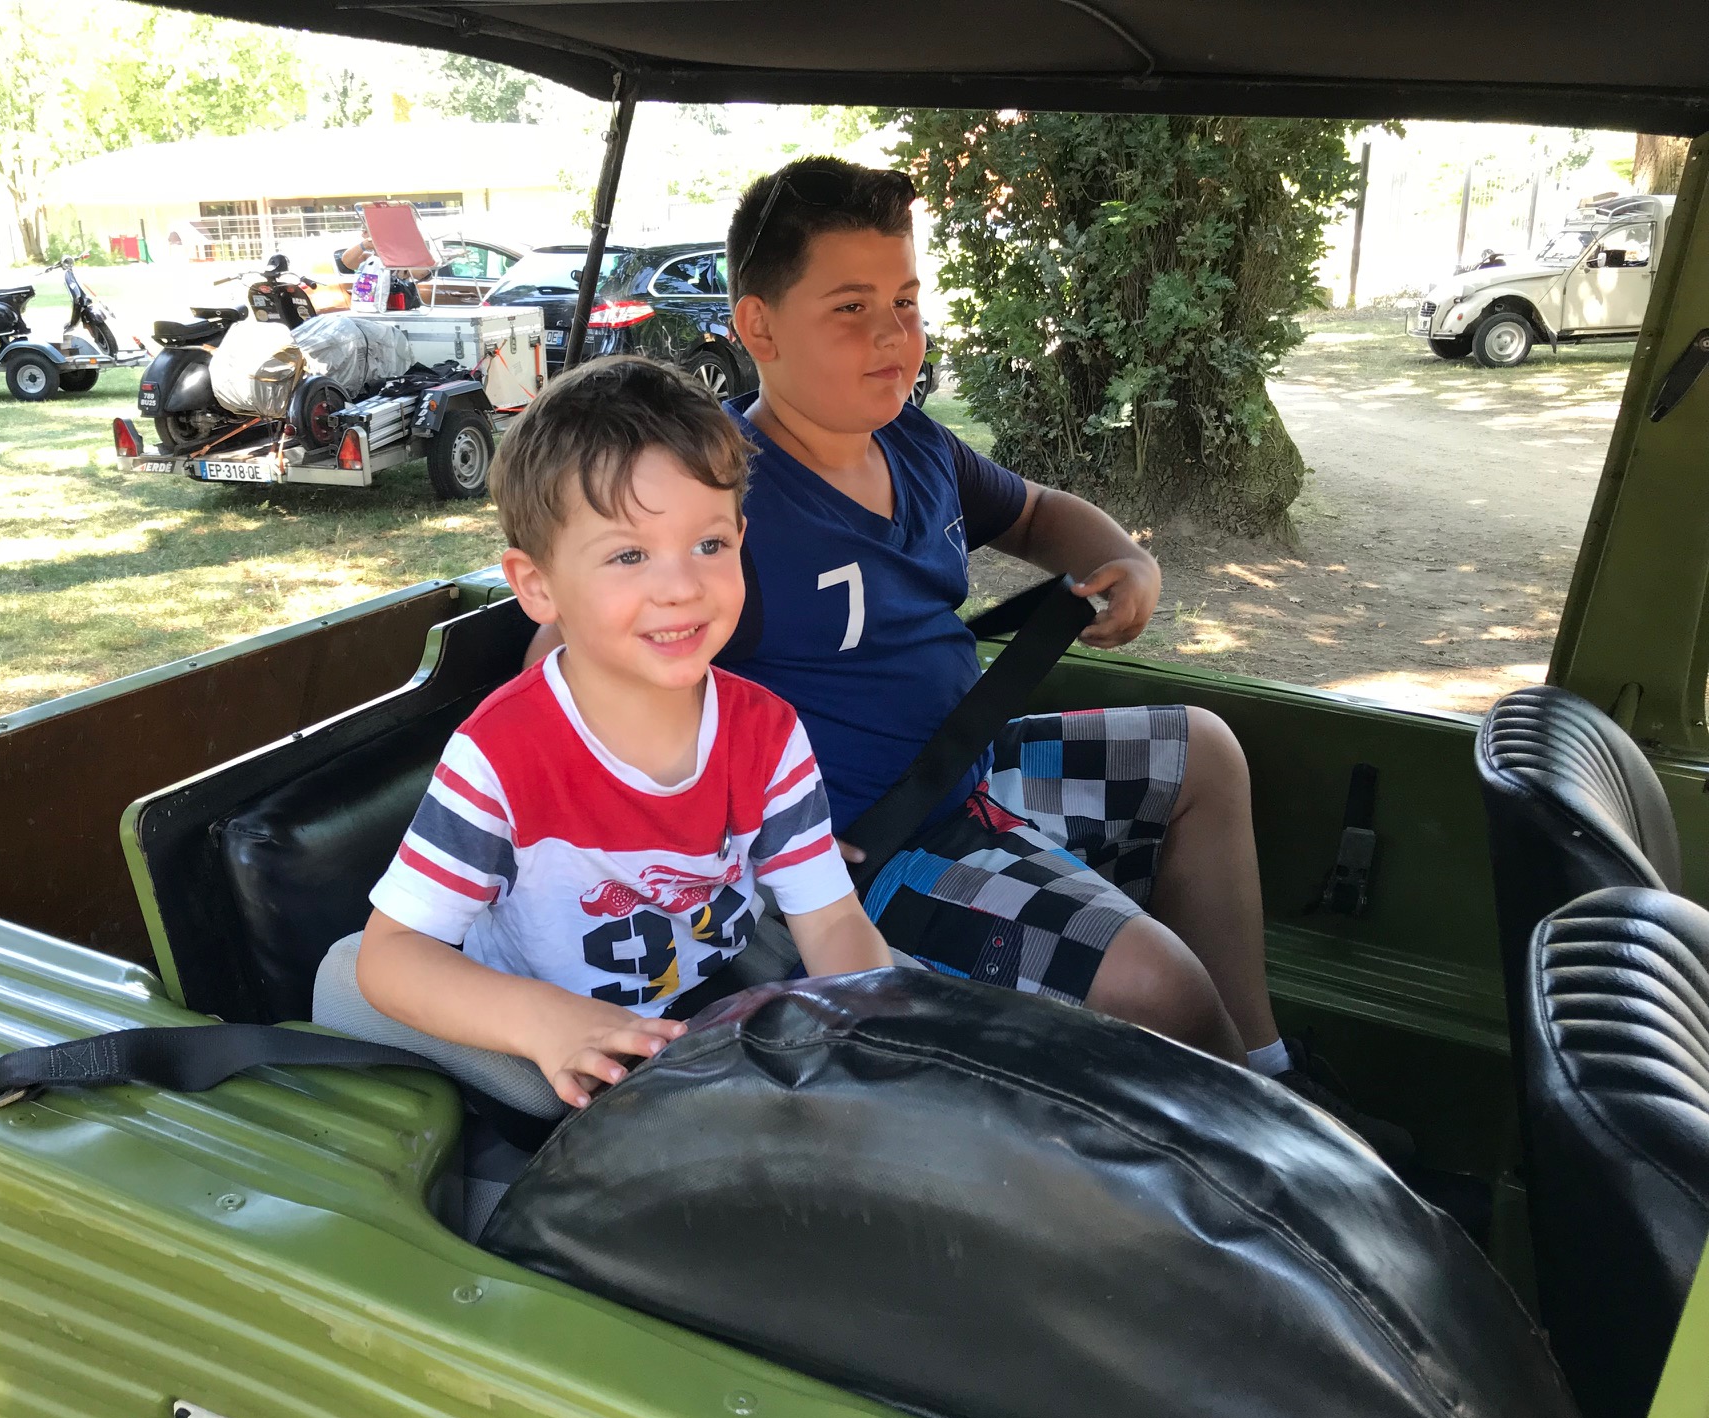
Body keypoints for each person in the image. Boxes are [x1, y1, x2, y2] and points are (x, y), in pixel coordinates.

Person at [527, 159, 1410, 1161]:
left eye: (905, 301)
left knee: (1203, 752)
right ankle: (1265, 1173)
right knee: (1158, 988)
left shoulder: (916, 446)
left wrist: (1124, 558)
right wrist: (717, 844)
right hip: (874, 854)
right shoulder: (719, 498)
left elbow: (1035, 513)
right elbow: (562, 665)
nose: (893, 334)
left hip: (972, 772)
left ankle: (1268, 1075)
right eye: (851, 308)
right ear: (759, 328)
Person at [314, 355, 893, 1119]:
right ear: (537, 585)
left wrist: (874, 1038)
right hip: (549, 1024)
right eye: (629, 555)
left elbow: (831, 918)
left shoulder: (767, 732)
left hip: (710, 991)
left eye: (710, 545)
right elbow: (390, 956)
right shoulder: (501, 757)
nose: (681, 587)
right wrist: (544, 1022)